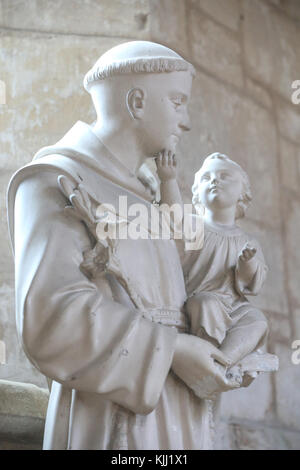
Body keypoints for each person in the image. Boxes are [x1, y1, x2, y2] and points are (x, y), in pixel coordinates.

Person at [7, 41, 241, 450]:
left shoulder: (145, 198)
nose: (186, 121)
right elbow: (50, 316)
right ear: (136, 101)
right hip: (111, 423)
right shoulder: (54, 180)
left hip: (177, 415)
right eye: (177, 101)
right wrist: (171, 351)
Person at [156, 151, 272, 388]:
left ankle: (225, 360)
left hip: (234, 308)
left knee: (257, 320)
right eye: (206, 177)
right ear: (197, 191)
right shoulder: (194, 226)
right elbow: (171, 218)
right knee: (205, 304)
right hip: (199, 299)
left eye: (224, 176)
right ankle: (205, 357)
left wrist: (246, 264)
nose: (214, 180)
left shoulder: (247, 241)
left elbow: (253, 282)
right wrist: (168, 179)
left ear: (243, 193)